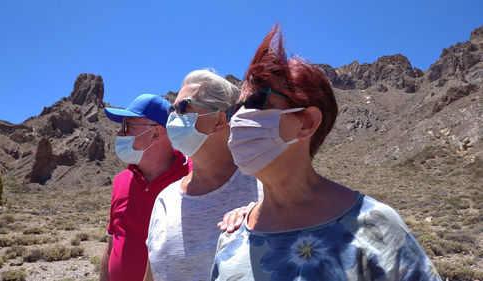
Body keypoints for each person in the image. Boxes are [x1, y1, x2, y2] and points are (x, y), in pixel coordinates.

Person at [211, 25, 442, 281]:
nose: (240, 117)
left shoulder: (374, 225)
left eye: (257, 102)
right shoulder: (230, 235)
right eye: (236, 110)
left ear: (306, 123)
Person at [144, 69, 263, 281]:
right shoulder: (165, 200)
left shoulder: (262, 189)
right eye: (172, 110)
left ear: (219, 120)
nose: (173, 117)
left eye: (183, 107)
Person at [100, 94, 191, 281]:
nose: (119, 133)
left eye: (127, 127)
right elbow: (113, 244)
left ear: (156, 133)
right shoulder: (121, 181)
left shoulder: (192, 176)